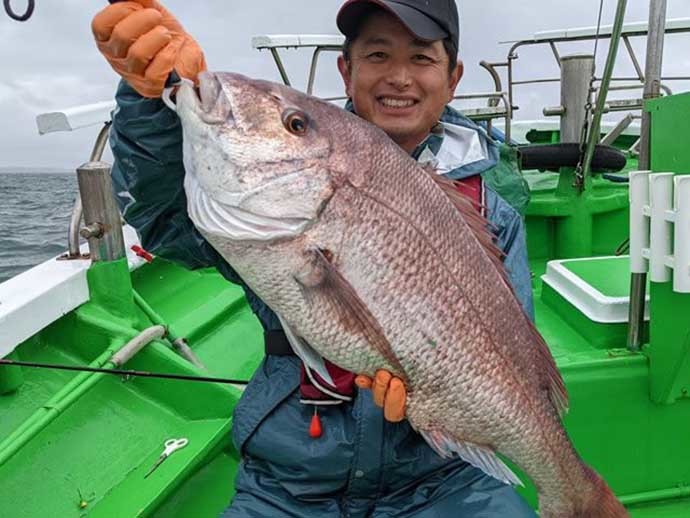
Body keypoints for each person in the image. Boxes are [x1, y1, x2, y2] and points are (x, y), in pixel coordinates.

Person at [92, 0, 535, 516]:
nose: (399, 78)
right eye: (376, 54)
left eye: (421, 58)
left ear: (453, 77)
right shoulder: (278, 196)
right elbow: (168, 220)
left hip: (443, 478)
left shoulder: (493, 212)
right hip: (291, 478)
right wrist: (151, 98)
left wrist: (439, 400)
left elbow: (513, 354)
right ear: (346, 71)